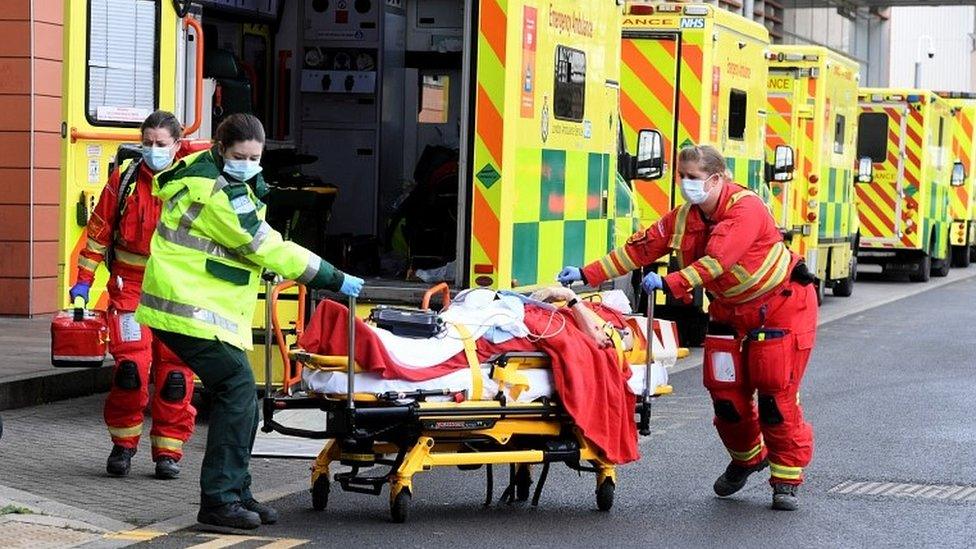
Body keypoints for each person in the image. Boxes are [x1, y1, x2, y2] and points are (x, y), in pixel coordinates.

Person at [135, 113, 365, 530]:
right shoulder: (215, 191)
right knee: (237, 392)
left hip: (199, 306)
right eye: (240, 155)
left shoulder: (219, 177)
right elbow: (265, 245)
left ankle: (236, 492)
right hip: (186, 308)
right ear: (222, 151)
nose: (248, 162)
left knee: (241, 400)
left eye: (255, 157)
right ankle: (220, 500)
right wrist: (332, 276)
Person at [558, 144, 818, 511]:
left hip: (780, 309)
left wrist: (671, 283)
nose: (684, 184)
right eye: (680, 176)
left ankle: (786, 479)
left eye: (692, 178)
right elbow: (639, 250)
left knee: (775, 395)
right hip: (730, 311)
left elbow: (718, 262)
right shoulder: (685, 216)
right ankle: (748, 459)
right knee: (726, 396)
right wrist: (586, 274)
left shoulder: (746, 208)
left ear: (716, 179)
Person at [69, 110, 207, 480]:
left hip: (178, 291)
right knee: (130, 371)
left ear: (177, 145)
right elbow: (98, 233)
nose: (153, 150)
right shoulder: (125, 179)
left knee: (175, 376)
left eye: (161, 144)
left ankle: (168, 452)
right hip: (130, 288)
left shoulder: (196, 184)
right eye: (147, 143)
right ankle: (123, 445)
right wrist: (83, 282)